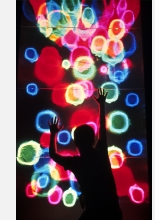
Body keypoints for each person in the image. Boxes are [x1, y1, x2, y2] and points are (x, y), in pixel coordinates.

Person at [48, 88, 123, 220]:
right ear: (93, 140)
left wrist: (53, 133)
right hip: (113, 212)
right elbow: (102, 130)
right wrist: (102, 104)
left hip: (93, 213)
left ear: (75, 142)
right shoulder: (100, 153)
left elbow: (53, 155)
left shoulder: (76, 163)